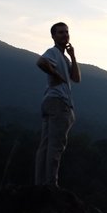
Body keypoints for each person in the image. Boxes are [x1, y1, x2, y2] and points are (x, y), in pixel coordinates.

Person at [34, 21, 81, 187]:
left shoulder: (63, 57)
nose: (65, 35)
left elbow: (76, 78)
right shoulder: (53, 52)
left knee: (45, 145)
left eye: (66, 32)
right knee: (56, 146)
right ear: (53, 36)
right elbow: (41, 62)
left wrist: (73, 56)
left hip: (50, 102)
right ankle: (51, 185)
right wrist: (55, 74)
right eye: (60, 32)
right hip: (58, 102)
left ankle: (40, 184)